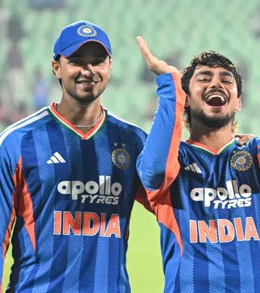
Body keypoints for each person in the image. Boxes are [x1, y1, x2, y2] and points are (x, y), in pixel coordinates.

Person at [135, 16, 260, 292]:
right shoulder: (174, 159)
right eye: (204, 79)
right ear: (187, 98)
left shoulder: (255, 155)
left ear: (238, 102)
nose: (216, 84)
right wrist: (170, 87)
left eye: (226, 80)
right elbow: (154, 172)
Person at [0, 20, 150, 291]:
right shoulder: (18, 141)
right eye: (77, 61)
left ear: (110, 66)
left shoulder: (133, 141)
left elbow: (178, 205)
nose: (88, 70)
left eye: (98, 61)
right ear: (56, 67)